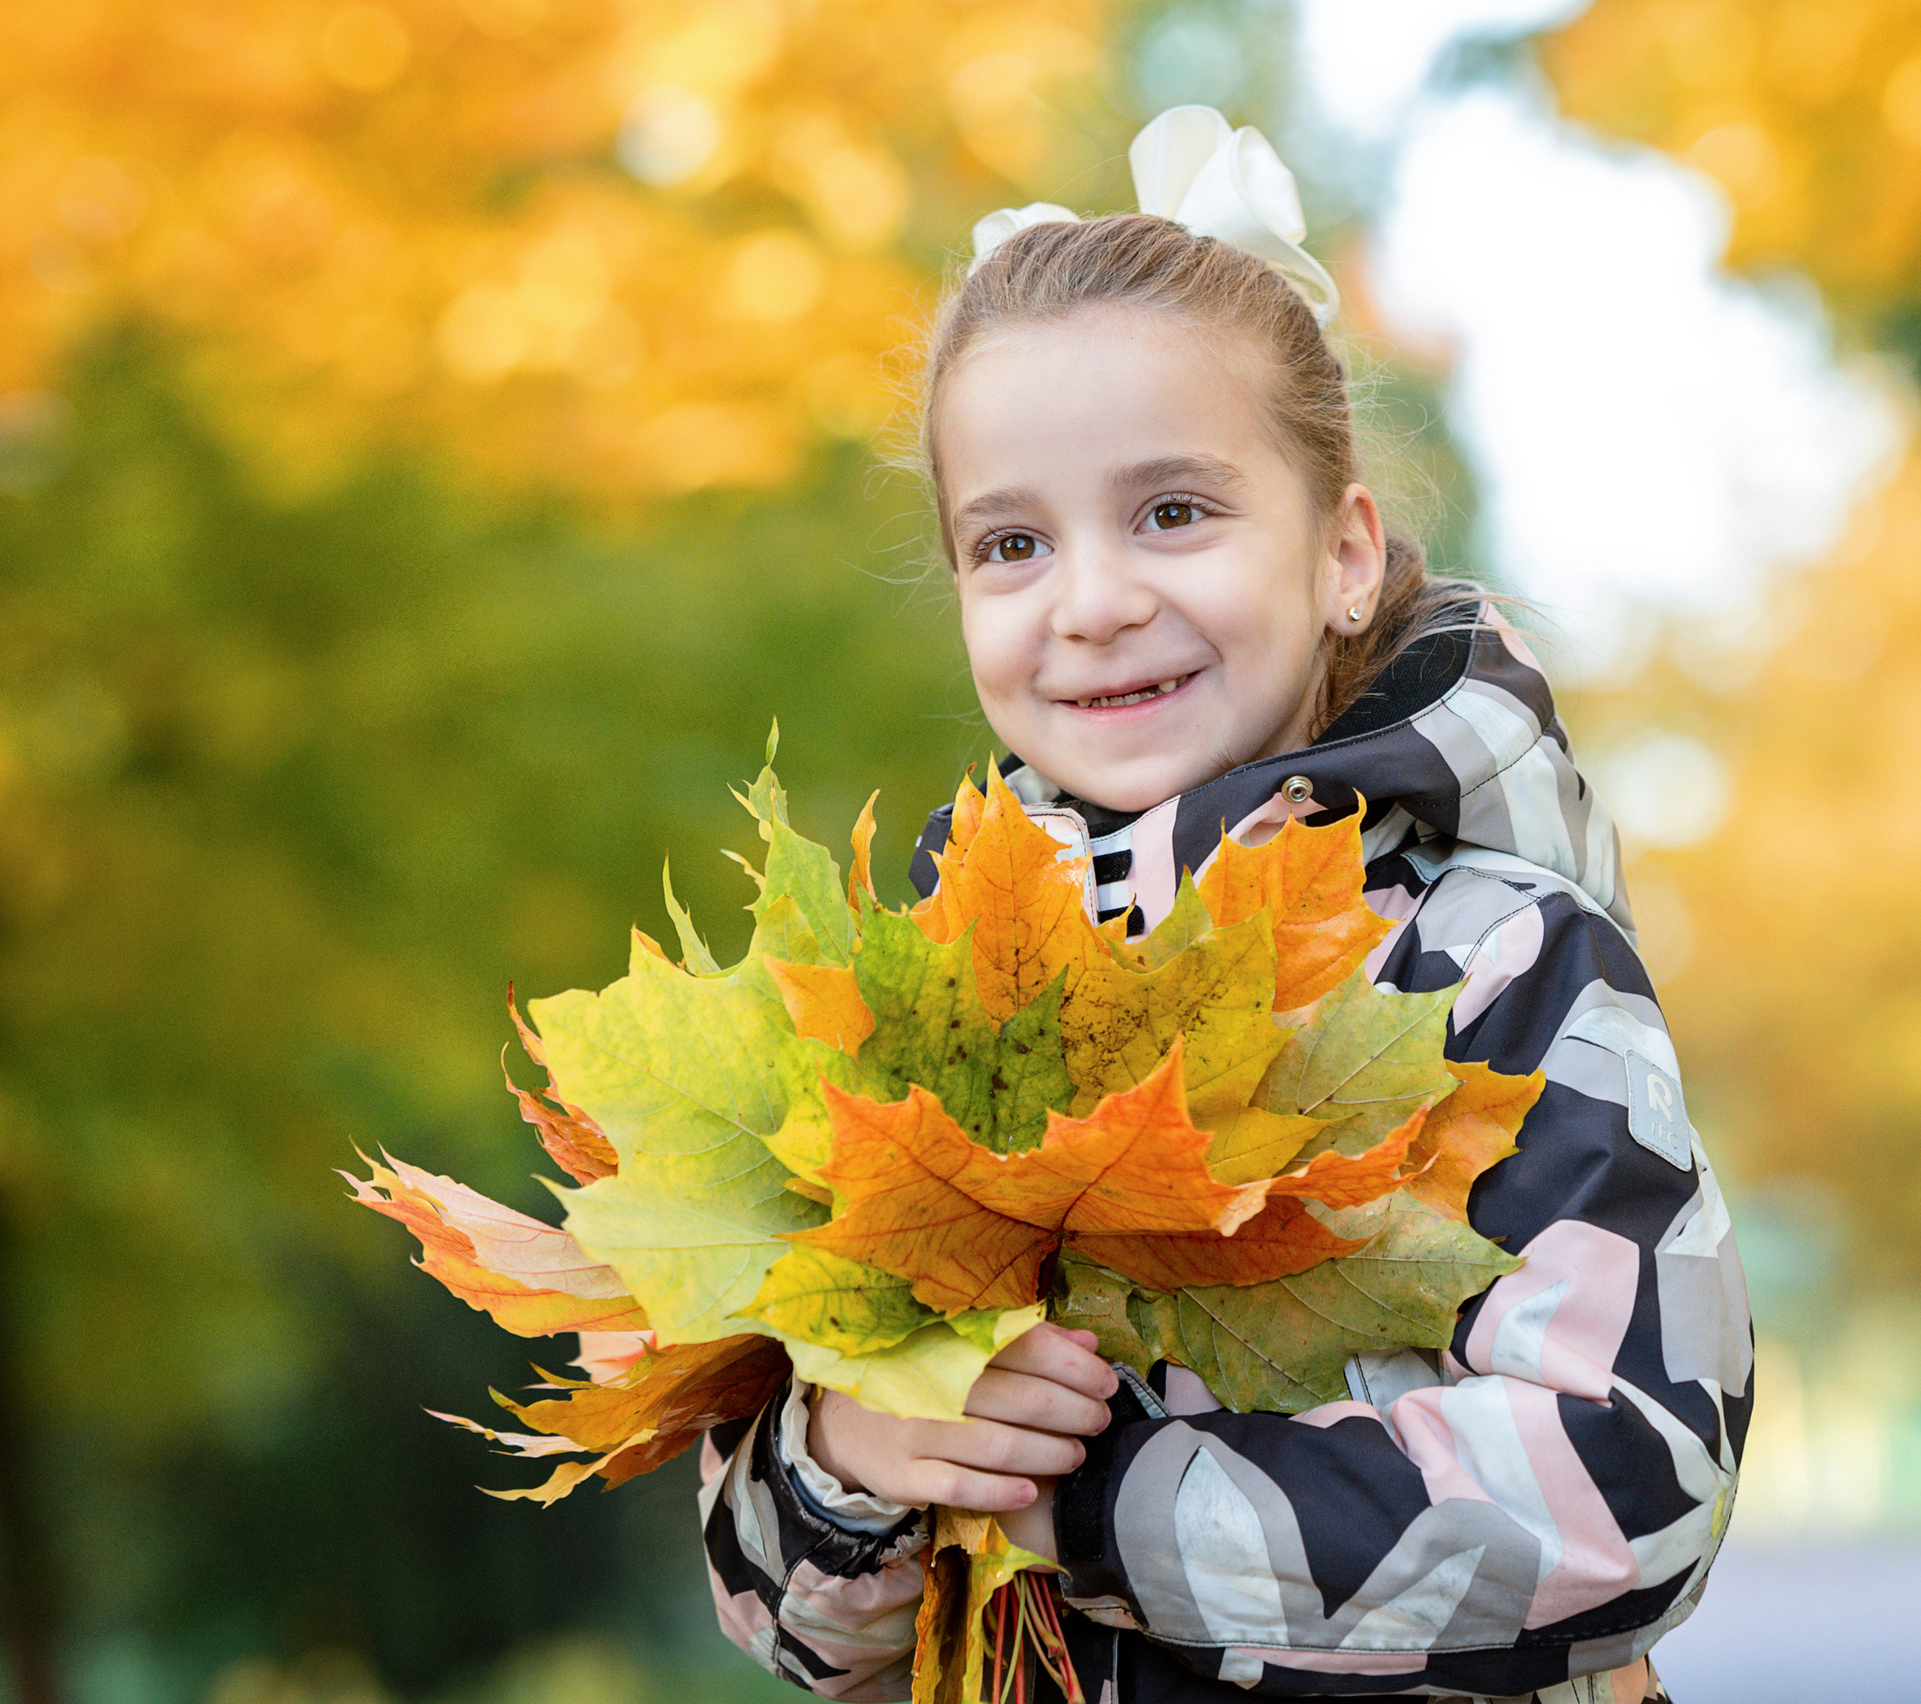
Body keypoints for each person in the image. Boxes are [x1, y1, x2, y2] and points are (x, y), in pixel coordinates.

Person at [692, 108, 1751, 1704]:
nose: (1097, 599)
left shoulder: (1497, 960)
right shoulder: (921, 1013)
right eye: (1013, 543)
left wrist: (1097, 1505)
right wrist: (849, 1460)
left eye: (1173, 512)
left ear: (1341, 552)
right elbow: (794, 1637)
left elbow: (1631, 1490)